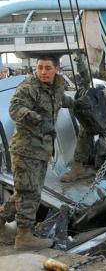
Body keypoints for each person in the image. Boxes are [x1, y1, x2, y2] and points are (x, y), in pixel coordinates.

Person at [0, 55, 73, 250]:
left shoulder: (56, 88)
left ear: (56, 68)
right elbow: (14, 108)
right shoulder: (29, 87)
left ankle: (1, 220)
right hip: (26, 149)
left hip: (41, 150)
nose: (43, 72)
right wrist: (37, 119)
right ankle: (24, 237)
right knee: (29, 192)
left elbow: (61, 100)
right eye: (40, 67)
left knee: (26, 191)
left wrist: (78, 101)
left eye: (47, 68)